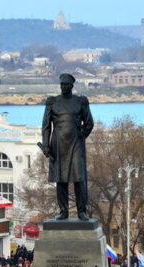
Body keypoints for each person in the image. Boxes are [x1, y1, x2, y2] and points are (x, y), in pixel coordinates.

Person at [40, 72, 94, 220]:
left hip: (76, 144)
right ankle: (63, 211)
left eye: (66, 85)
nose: (63, 87)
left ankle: (81, 211)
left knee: (79, 178)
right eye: (61, 85)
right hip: (58, 144)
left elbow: (89, 123)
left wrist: (81, 135)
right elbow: (46, 126)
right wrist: (46, 145)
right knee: (61, 179)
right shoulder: (52, 102)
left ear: (71, 86)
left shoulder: (80, 101)